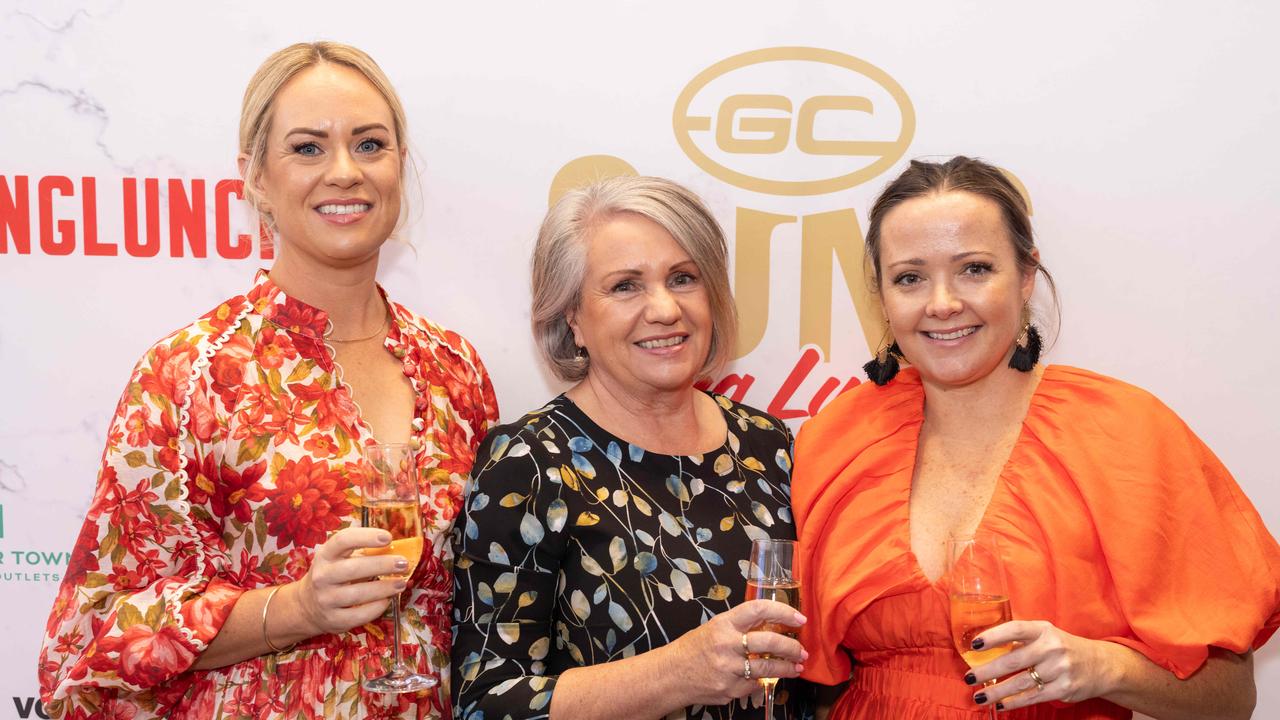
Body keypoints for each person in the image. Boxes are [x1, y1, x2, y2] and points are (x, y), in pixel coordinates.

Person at [38, 42, 498, 719]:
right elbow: (91, 635)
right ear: (254, 178)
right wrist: (296, 608)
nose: (345, 171)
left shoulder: (455, 370)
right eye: (308, 149)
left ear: (401, 164)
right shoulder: (188, 374)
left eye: (370, 144)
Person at [791, 155, 1280, 720]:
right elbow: (822, 683)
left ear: (1026, 277)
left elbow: (1230, 699)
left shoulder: (1126, 434)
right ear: (881, 295)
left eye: (974, 268)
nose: (943, 302)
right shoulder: (838, 437)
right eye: (910, 277)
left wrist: (1104, 668)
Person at [451, 175, 810, 719]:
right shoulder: (529, 464)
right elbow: (487, 704)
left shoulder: (770, 446)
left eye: (683, 278)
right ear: (572, 316)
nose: (665, 309)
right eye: (625, 286)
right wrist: (679, 671)